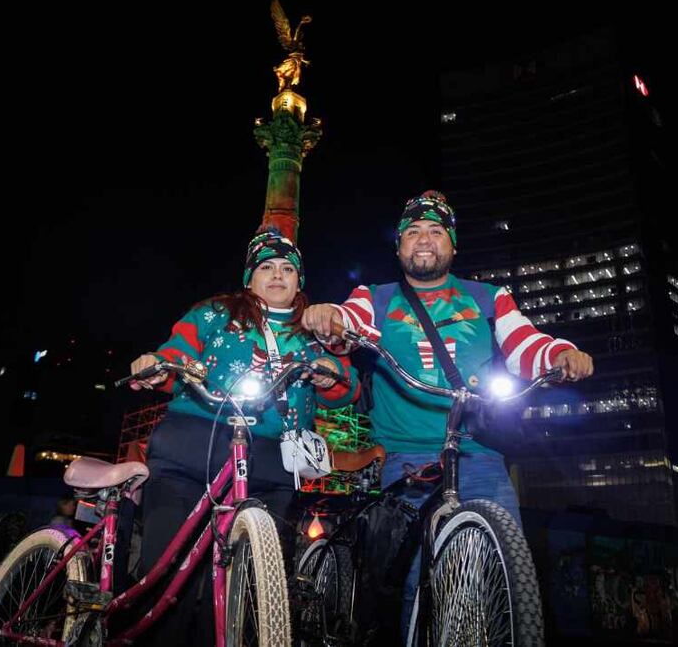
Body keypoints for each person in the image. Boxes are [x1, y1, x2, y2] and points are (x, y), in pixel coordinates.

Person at [302, 190, 593, 635]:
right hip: (406, 460)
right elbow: (350, 325)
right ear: (399, 246)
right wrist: (330, 319)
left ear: (452, 246)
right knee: (413, 580)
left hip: (479, 455)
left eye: (436, 232)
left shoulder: (489, 297)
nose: (423, 239)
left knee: (499, 576)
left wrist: (559, 353)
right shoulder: (375, 297)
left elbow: (525, 344)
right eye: (413, 232)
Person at [128, 228, 360, 642]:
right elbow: (176, 353)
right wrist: (158, 364)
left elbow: (347, 385)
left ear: (299, 281)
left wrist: (330, 377)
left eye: (288, 269)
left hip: (271, 461)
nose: (277, 275)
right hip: (192, 447)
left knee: (252, 584)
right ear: (249, 277)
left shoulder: (312, 330)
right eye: (266, 267)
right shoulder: (213, 313)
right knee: (168, 567)